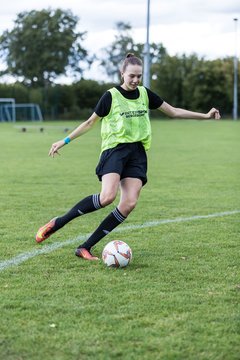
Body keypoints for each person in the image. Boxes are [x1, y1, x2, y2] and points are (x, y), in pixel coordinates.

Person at [36, 53, 221, 261]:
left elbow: (173, 111)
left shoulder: (145, 93)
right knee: (107, 197)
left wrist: (204, 116)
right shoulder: (110, 96)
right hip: (114, 150)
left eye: (139, 76)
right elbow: (89, 123)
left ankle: (85, 247)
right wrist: (64, 141)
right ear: (122, 73)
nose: (135, 80)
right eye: (131, 76)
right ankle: (58, 222)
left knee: (129, 203)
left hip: (137, 153)